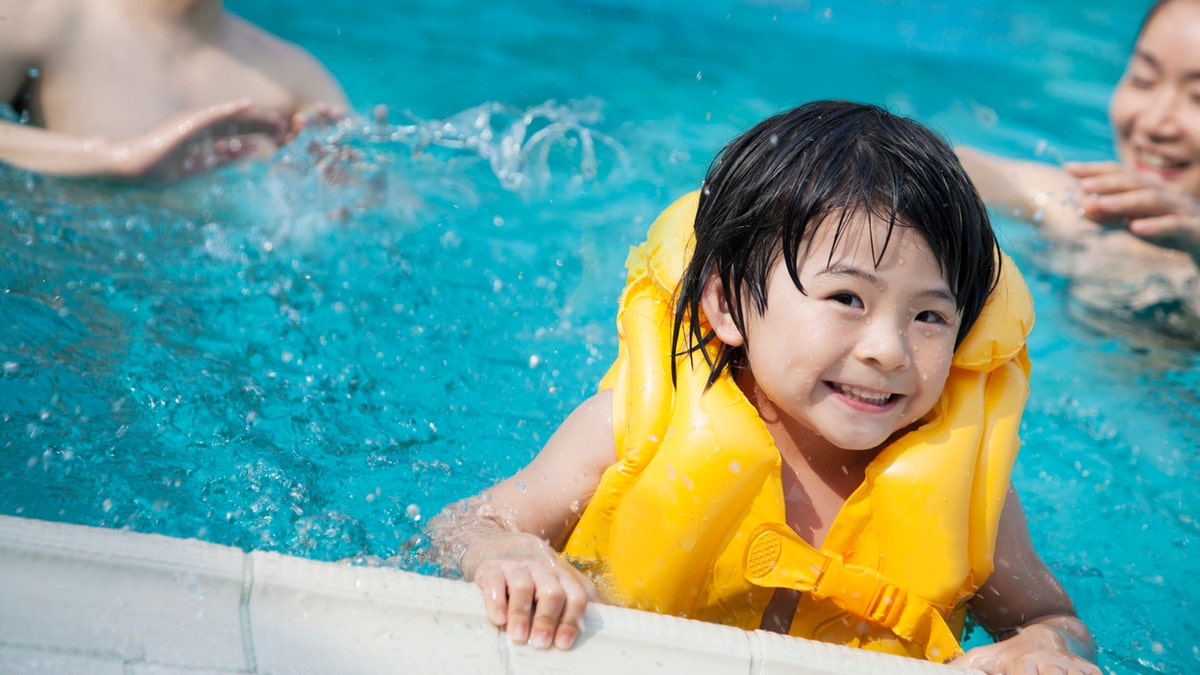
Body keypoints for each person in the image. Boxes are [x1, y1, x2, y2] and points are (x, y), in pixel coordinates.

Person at [428, 100, 1100, 675]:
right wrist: (507, 551)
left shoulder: (972, 495)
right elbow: (460, 524)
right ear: (726, 304)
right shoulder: (634, 427)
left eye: (929, 316)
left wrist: (1042, 646)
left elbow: (1049, 613)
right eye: (846, 297)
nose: (887, 349)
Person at [956, 0, 1200, 343]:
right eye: (1143, 80)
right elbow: (942, 165)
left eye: (1198, 97)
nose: (1154, 123)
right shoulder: (1074, 207)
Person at [0, 0, 348, 181]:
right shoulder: (40, 16)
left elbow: (384, 205)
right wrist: (114, 160)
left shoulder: (296, 81)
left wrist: (350, 197)